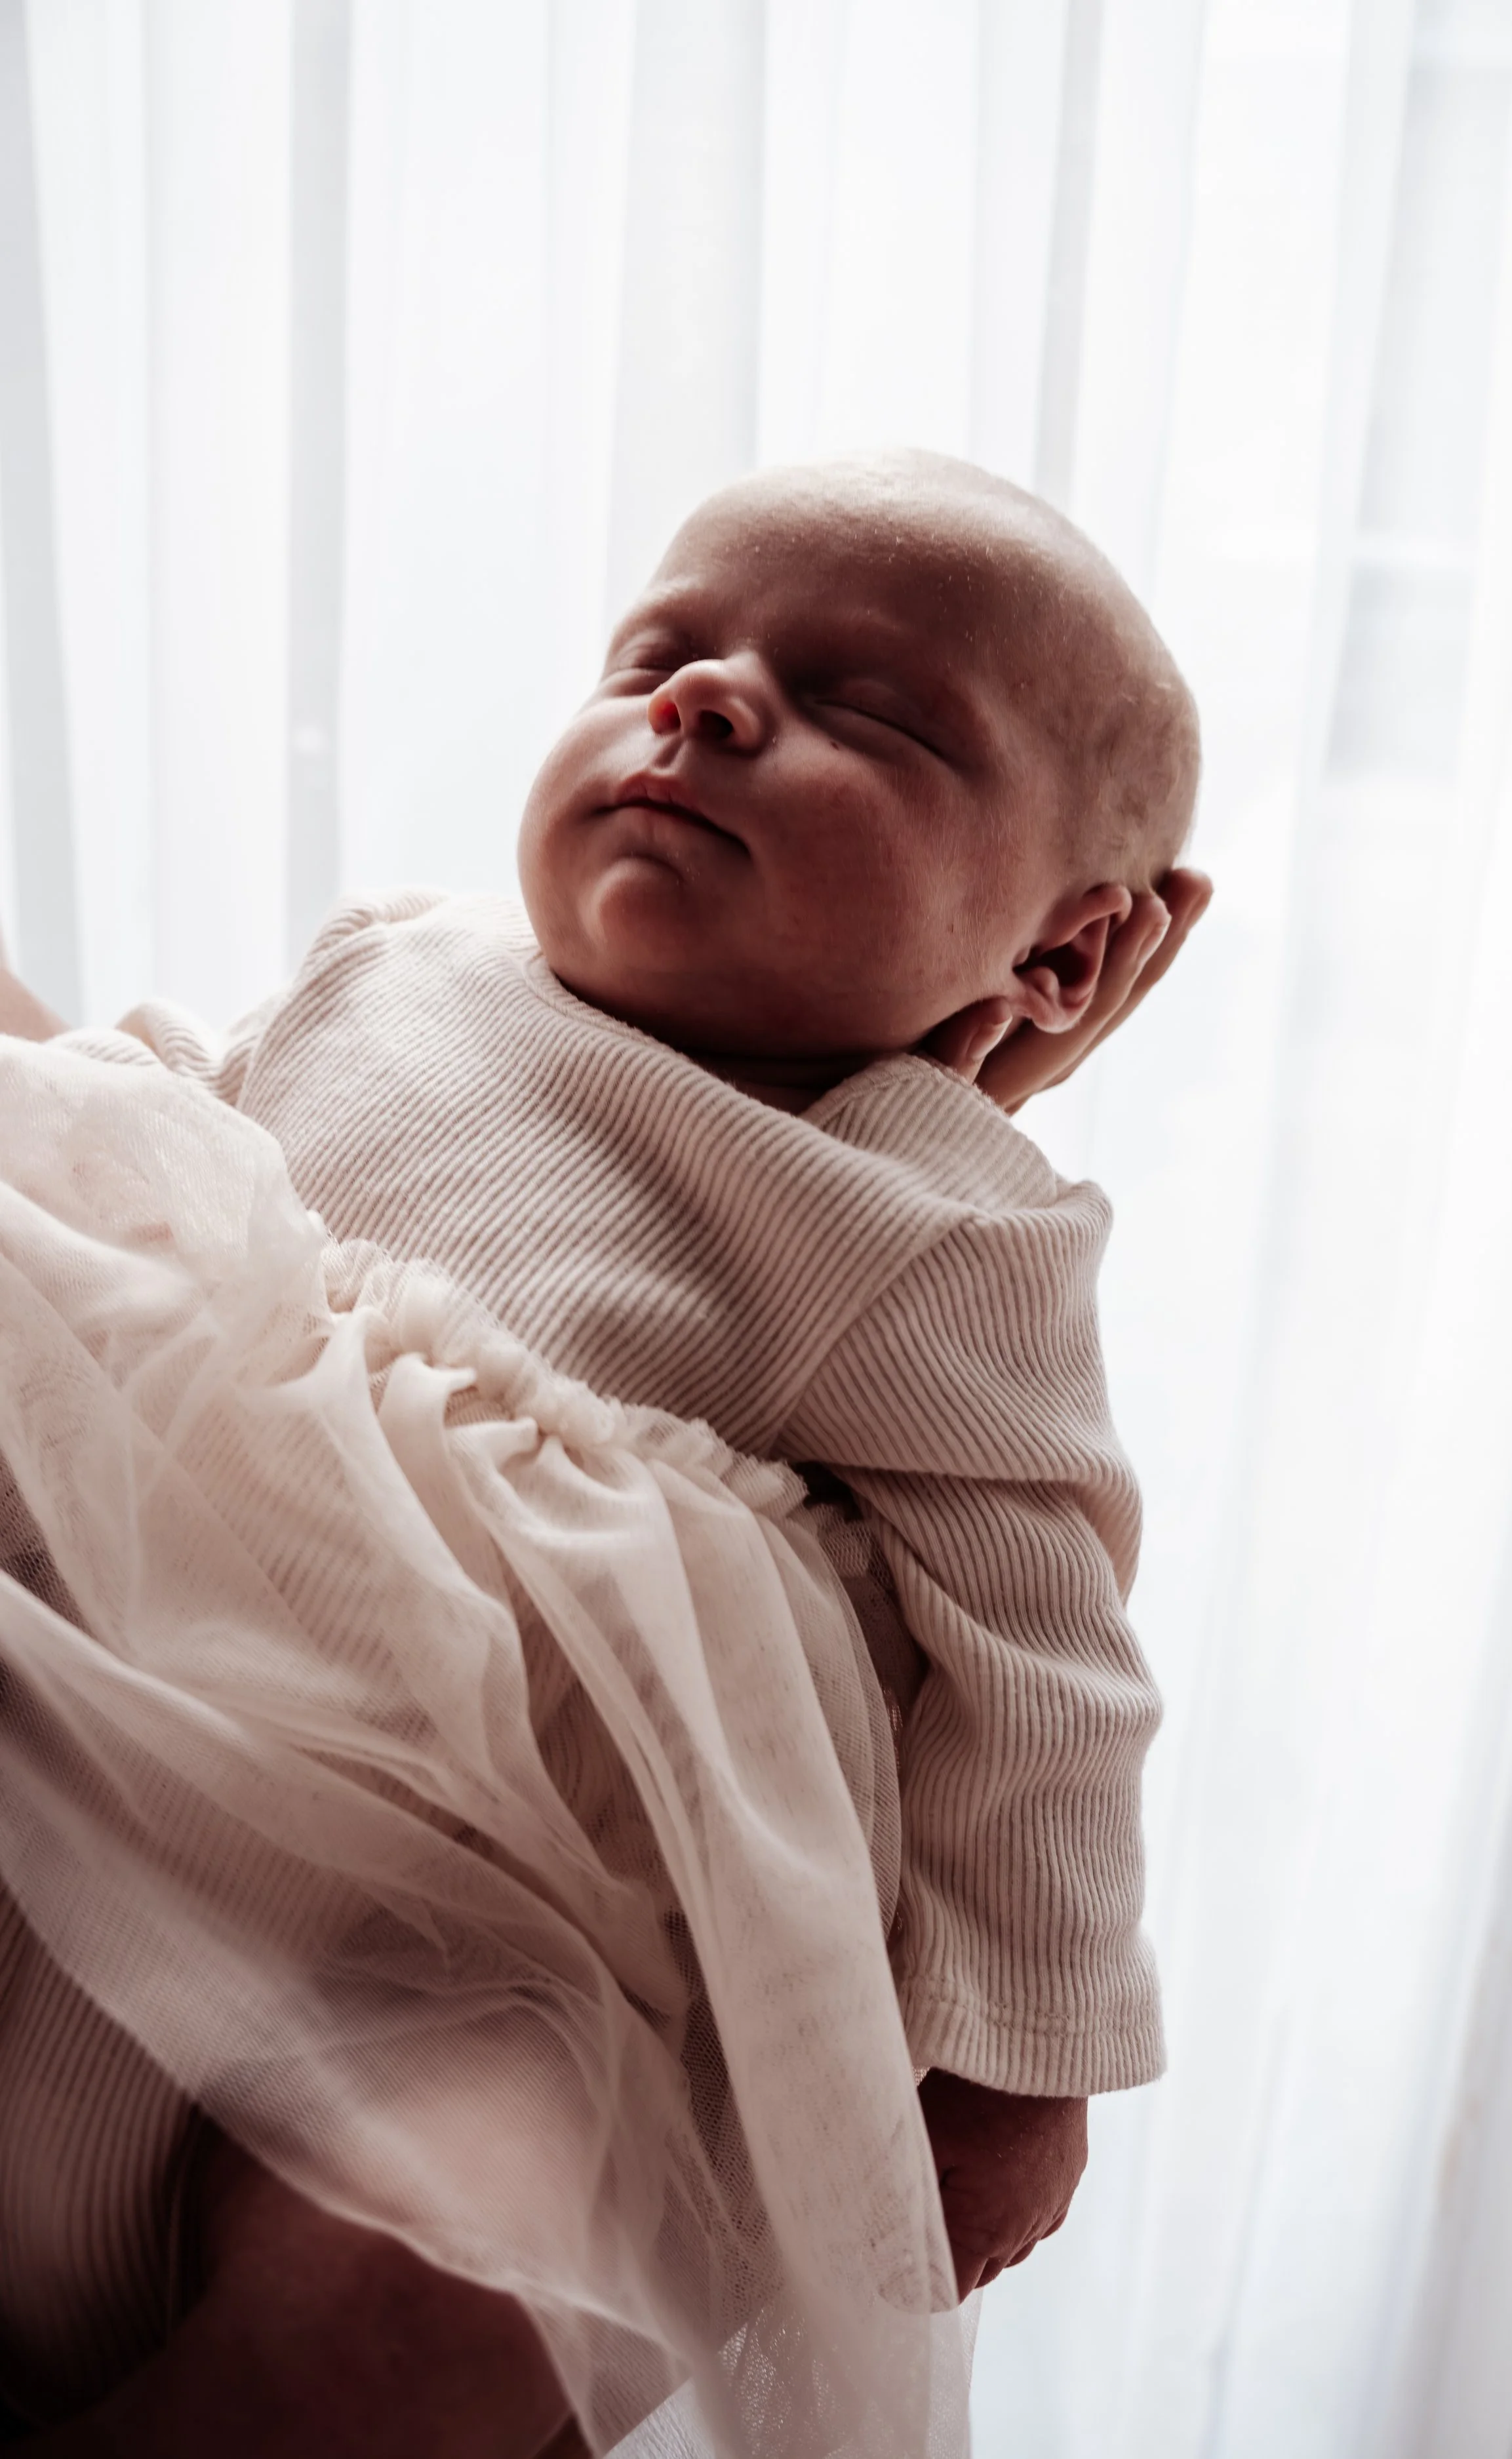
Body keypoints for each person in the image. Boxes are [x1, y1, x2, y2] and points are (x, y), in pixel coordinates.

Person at [0, 450, 1210, 2457]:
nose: (707, 702)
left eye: (873, 714)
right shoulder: (404, 956)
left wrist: (1022, 2061)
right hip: (97, 1701)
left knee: (455, 2298)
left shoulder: (928, 1203)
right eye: (660, 652)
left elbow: (1046, 1645)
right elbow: (159, 1142)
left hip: (478, 1954)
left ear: (1062, 959)